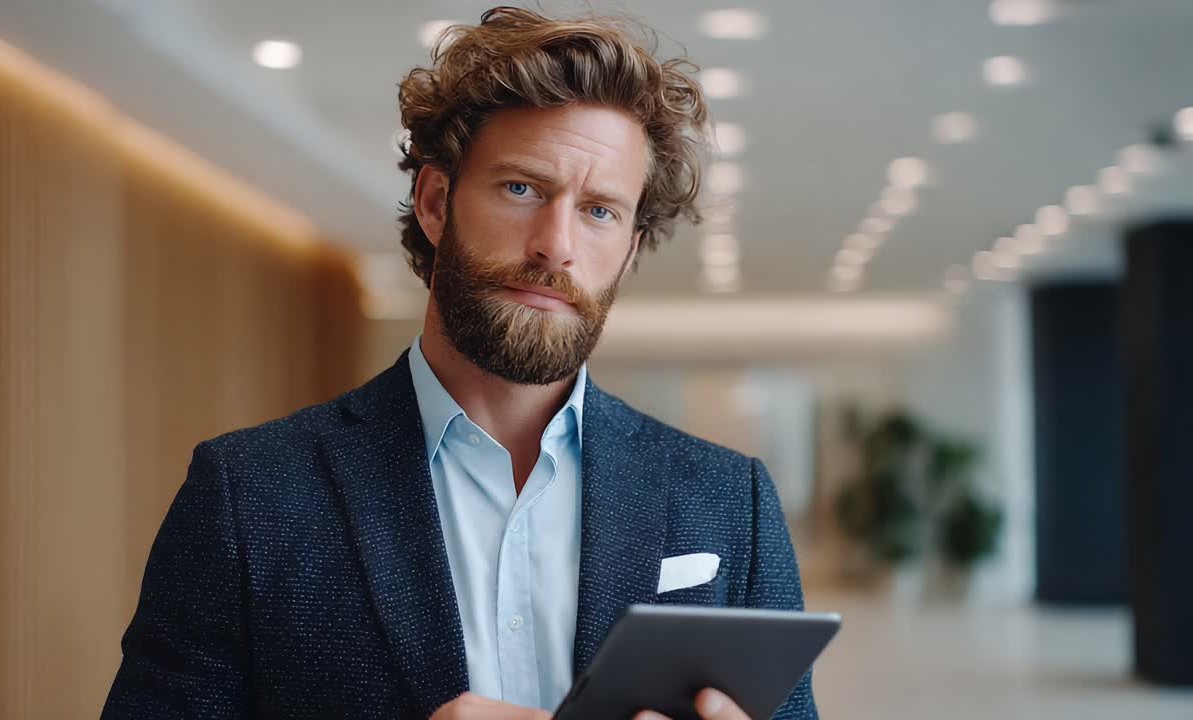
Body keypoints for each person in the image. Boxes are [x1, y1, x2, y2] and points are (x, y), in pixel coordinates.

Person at [103, 7, 815, 719]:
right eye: (522, 189)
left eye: (600, 211)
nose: (555, 245)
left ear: (629, 248)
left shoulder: (731, 504)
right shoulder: (248, 497)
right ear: (437, 202)